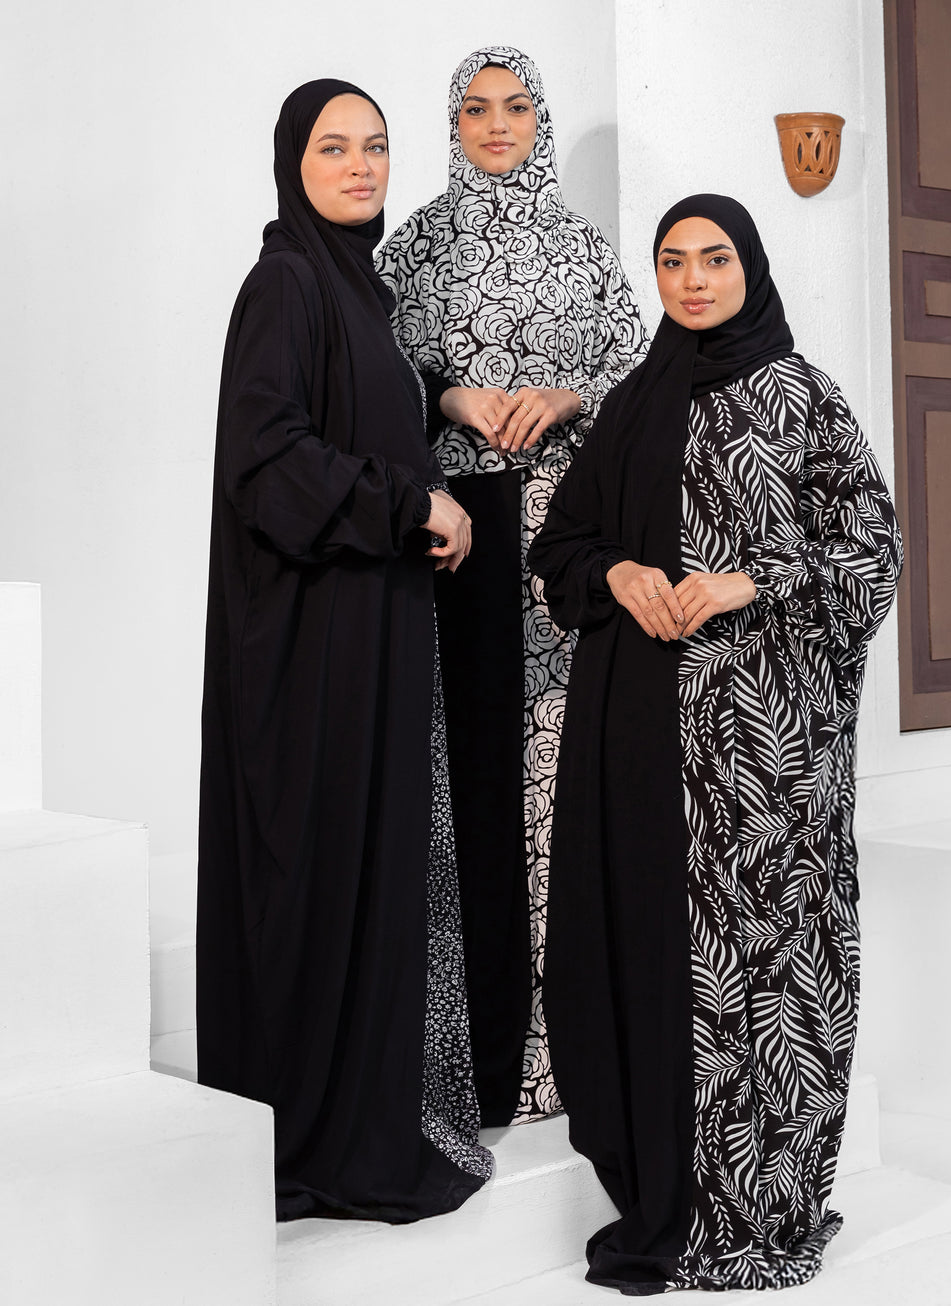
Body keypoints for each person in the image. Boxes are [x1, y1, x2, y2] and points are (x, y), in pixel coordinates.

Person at [529, 194, 902, 1293]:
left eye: (715, 258)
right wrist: (617, 571)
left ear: (751, 269)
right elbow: (562, 545)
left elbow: (872, 552)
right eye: (673, 261)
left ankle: (764, 1210)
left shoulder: (803, 396)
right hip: (645, 746)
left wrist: (754, 579)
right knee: (652, 955)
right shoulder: (633, 404)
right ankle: (668, 1196)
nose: (693, 279)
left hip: (768, 759)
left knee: (773, 968)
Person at [196, 78, 492, 1223]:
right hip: (311, 647)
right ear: (293, 162)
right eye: (335, 148)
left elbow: (361, 424)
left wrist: (440, 431)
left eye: (376, 145)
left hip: (368, 632)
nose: (362, 165)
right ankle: (314, 1131)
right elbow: (267, 461)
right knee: (316, 871)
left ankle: (363, 1110)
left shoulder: (360, 292)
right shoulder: (284, 285)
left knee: (368, 868)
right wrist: (410, 504)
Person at [377, 46, 647, 1126]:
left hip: (561, 537)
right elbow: (372, 374)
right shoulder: (416, 247)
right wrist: (450, 399)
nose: (498, 125)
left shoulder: (583, 248)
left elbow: (635, 371)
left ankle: (564, 1053)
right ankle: (476, 1055)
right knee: (470, 775)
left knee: (557, 773)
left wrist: (566, 393)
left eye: (517, 107)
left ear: (541, 119)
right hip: (457, 540)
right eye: (477, 110)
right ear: (452, 125)